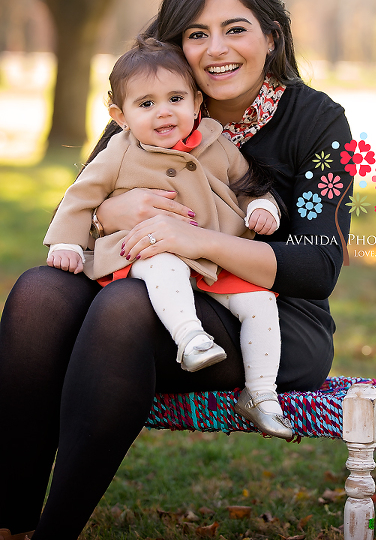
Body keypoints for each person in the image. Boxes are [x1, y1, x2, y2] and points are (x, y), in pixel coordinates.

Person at [0, 0, 352, 540]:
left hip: (269, 315)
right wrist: (116, 211)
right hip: (151, 278)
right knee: (40, 292)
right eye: (196, 33)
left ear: (271, 36)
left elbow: (315, 267)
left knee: (125, 309)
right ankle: (10, 520)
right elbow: (81, 208)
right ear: (176, 43)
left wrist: (194, 237)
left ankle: (54, 533)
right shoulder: (155, 97)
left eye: (236, 29)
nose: (217, 49)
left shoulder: (317, 124)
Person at [44, 38, 292, 439]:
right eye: (145, 104)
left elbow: (249, 185)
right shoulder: (118, 153)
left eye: (175, 98)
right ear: (120, 116)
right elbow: (80, 195)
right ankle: (189, 337)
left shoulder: (216, 143)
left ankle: (262, 393)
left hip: (213, 259)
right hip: (145, 250)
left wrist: (263, 207)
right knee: (164, 264)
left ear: (196, 103)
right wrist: (67, 243)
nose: (163, 112)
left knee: (260, 302)